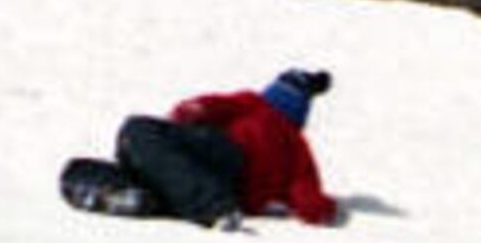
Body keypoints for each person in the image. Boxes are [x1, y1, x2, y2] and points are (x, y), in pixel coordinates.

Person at [72, 70, 341, 229]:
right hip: (226, 188)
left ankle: (212, 207)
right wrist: (328, 208)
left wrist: (190, 113)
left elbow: (205, 106)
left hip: (222, 156)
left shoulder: (254, 103)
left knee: (137, 131)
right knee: (164, 172)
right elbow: (310, 203)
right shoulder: (298, 147)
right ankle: (137, 197)